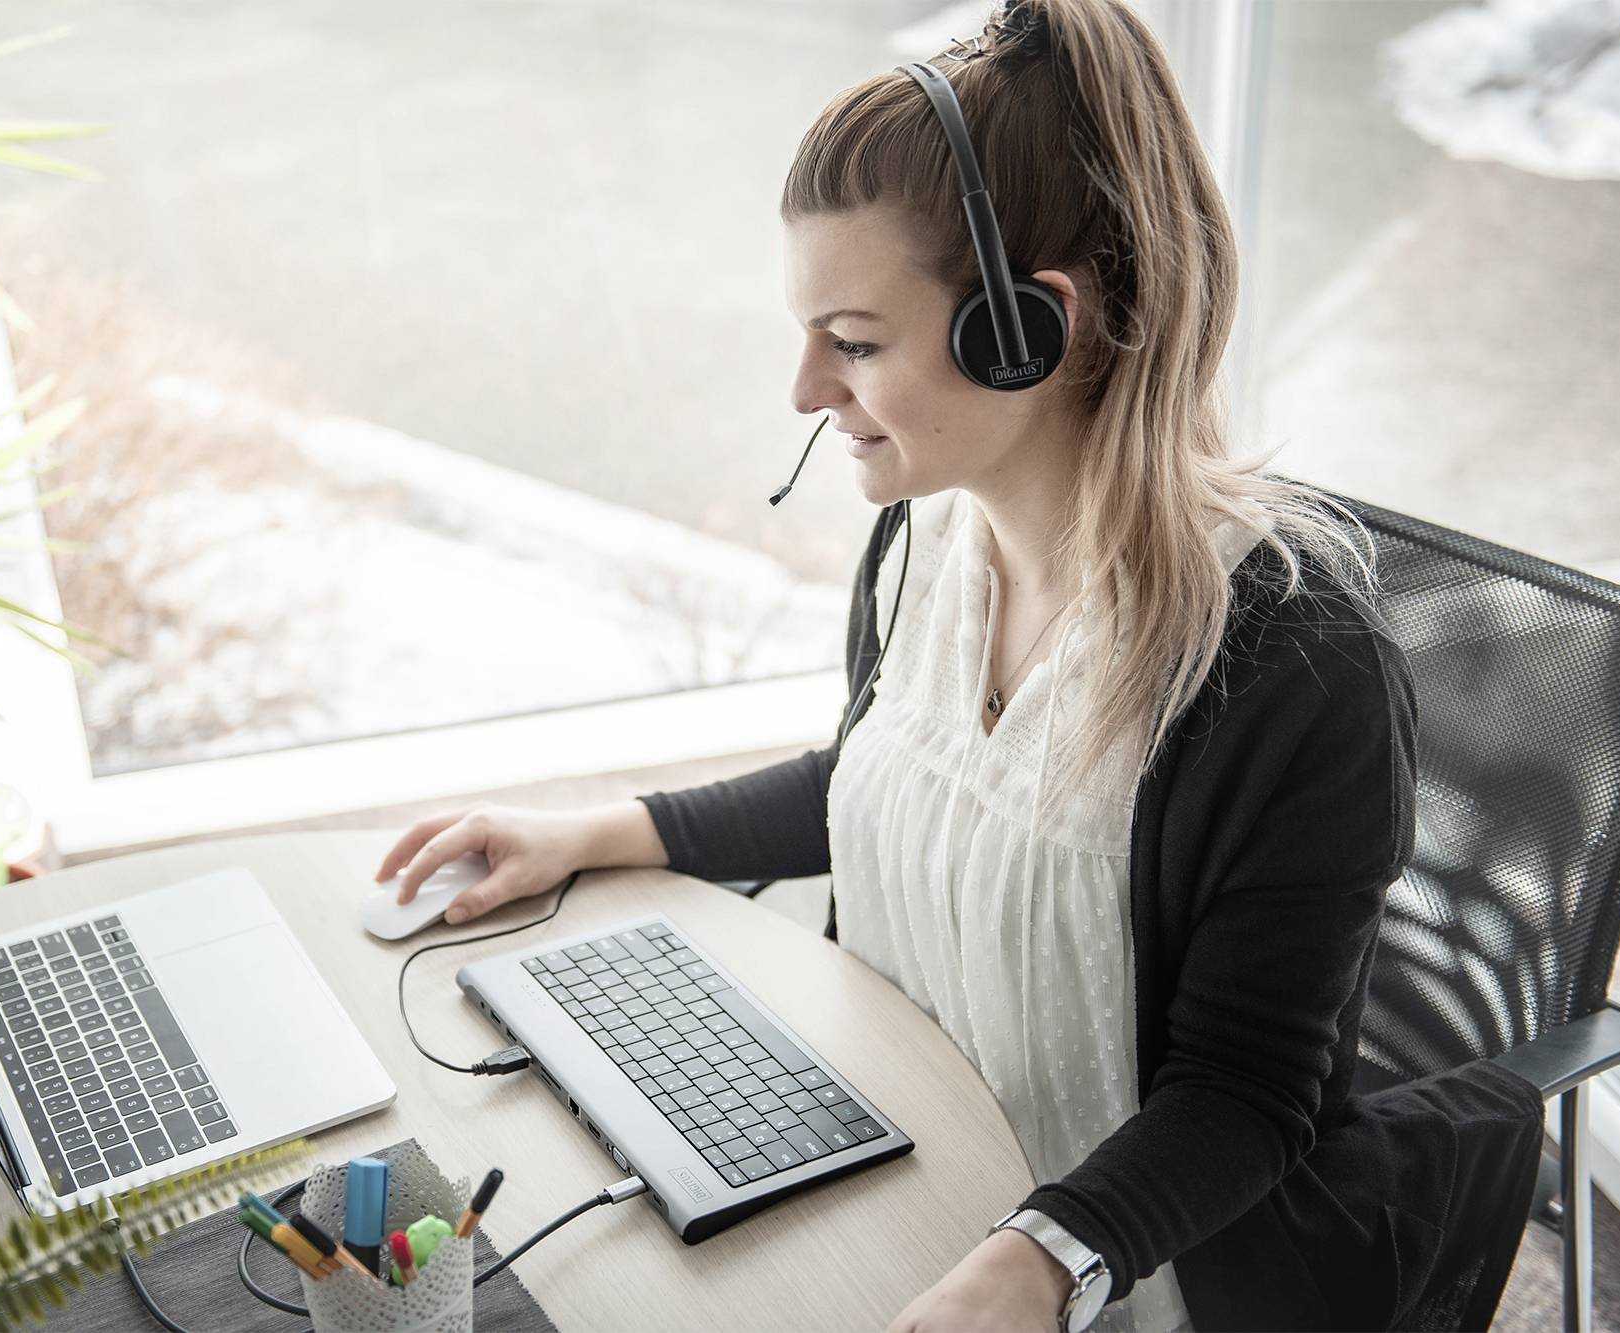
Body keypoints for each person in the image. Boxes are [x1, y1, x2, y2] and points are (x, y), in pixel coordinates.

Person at [371, 2, 1544, 1328]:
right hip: (897, 1171)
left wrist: (1039, 1261)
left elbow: (1248, 1090)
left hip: (1129, 1263)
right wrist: (603, 826)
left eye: (856, 341)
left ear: (1025, 327)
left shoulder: (1287, 667)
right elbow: (887, 776)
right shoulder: (924, 543)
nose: (807, 389)